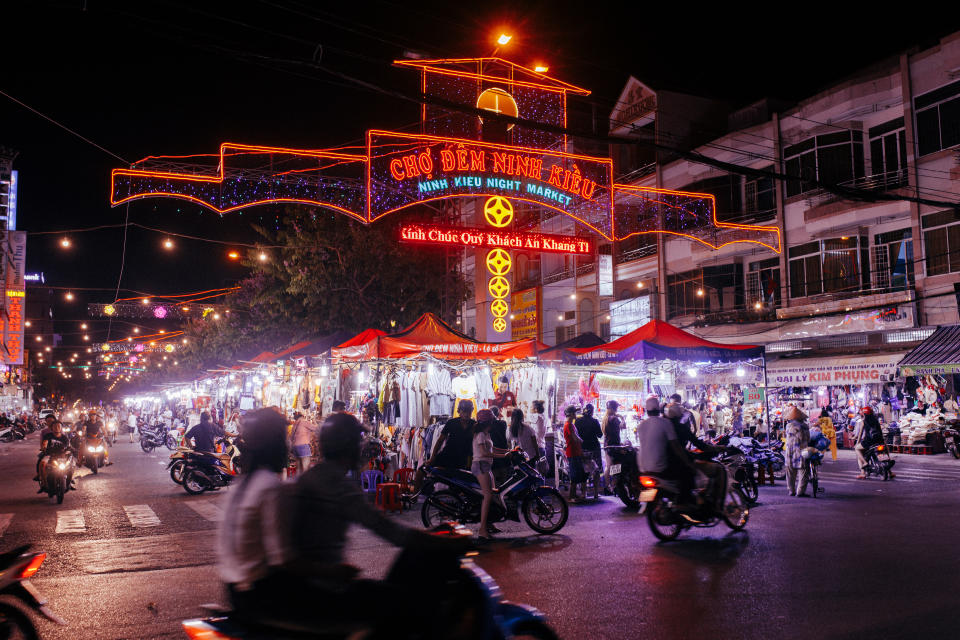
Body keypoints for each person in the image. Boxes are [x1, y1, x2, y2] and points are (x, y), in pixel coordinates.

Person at [289, 412, 460, 631]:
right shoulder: (337, 485)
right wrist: (440, 541)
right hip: (324, 587)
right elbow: (386, 528)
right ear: (349, 445)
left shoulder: (313, 476)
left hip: (315, 582)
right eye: (357, 441)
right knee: (402, 604)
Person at [217, 408, 290, 619]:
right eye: (282, 439)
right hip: (259, 592)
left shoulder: (243, 484)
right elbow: (281, 557)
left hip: (234, 588)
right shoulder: (269, 487)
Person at [636, 397, 698, 498]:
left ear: (647, 411)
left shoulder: (641, 425)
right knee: (686, 477)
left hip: (642, 469)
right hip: (660, 469)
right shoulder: (665, 423)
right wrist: (689, 463)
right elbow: (676, 447)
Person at [414, 399, 475, 491]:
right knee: (421, 470)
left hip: (462, 461)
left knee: (457, 486)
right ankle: (415, 495)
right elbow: (439, 441)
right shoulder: (451, 423)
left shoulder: (474, 425)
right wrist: (433, 458)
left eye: (469, 411)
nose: (466, 414)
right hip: (446, 456)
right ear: (459, 411)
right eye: (464, 411)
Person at [472, 410, 509, 540]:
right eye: (492, 420)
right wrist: (504, 456)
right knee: (488, 495)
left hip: (486, 466)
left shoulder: (486, 433)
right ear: (489, 421)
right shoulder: (481, 434)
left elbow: (491, 449)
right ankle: (482, 529)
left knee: (493, 494)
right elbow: (484, 453)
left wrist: (509, 451)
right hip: (480, 465)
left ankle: (489, 524)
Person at [575, 404, 603, 500]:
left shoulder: (578, 421)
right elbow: (600, 435)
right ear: (592, 411)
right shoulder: (595, 421)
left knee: (584, 470)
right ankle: (595, 492)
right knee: (596, 470)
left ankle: (584, 493)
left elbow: (575, 434)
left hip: (582, 448)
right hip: (594, 448)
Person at [37, 420, 74, 493]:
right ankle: (44, 483)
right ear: (51, 428)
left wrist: (70, 450)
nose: (57, 428)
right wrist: (44, 448)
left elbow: (68, 446)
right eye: (55, 426)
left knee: (71, 464)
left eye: (59, 426)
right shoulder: (48, 436)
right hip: (50, 455)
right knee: (42, 463)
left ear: (61, 428)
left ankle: (69, 482)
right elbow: (45, 443)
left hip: (62, 456)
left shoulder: (64, 437)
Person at [783, 406, 811, 496]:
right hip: (801, 450)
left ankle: (791, 491)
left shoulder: (788, 426)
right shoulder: (804, 427)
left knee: (790, 472)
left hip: (789, 451)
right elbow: (808, 438)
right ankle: (800, 492)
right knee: (803, 471)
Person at [854, 406, 885, 479]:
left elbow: (860, 434)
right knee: (884, 452)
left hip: (869, 442)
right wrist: (882, 441)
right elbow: (880, 432)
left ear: (864, 414)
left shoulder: (863, 421)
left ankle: (864, 468)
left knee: (857, 449)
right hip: (879, 440)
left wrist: (857, 443)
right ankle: (890, 472)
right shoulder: (876, 420)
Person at [562, 406, 585, 502]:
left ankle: (574, 495)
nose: (575, 415)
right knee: (574, 475)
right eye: (574, 413)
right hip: (572, 453)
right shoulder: (569, 425)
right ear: (571, 414)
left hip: (575, 452)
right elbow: (575, 438)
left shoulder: (571, 424)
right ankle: (571, 497)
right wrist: (581, 440)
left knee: (576, 474)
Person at [601, 400, 622, 495]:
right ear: (614, 408)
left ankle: (608, 487)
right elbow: (623, 426)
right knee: (616, 466)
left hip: (607, 445)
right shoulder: (614, 419)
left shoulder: (606, 418)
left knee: (609, 467)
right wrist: (622, 418)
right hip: (614, 445)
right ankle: (613, 486)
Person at [488, 406, 510, 484]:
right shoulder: (503, 423)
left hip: (494, 450)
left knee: (494, 473)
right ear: (497, 414)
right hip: (503, 448)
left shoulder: (488, 425)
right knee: (504, 473)